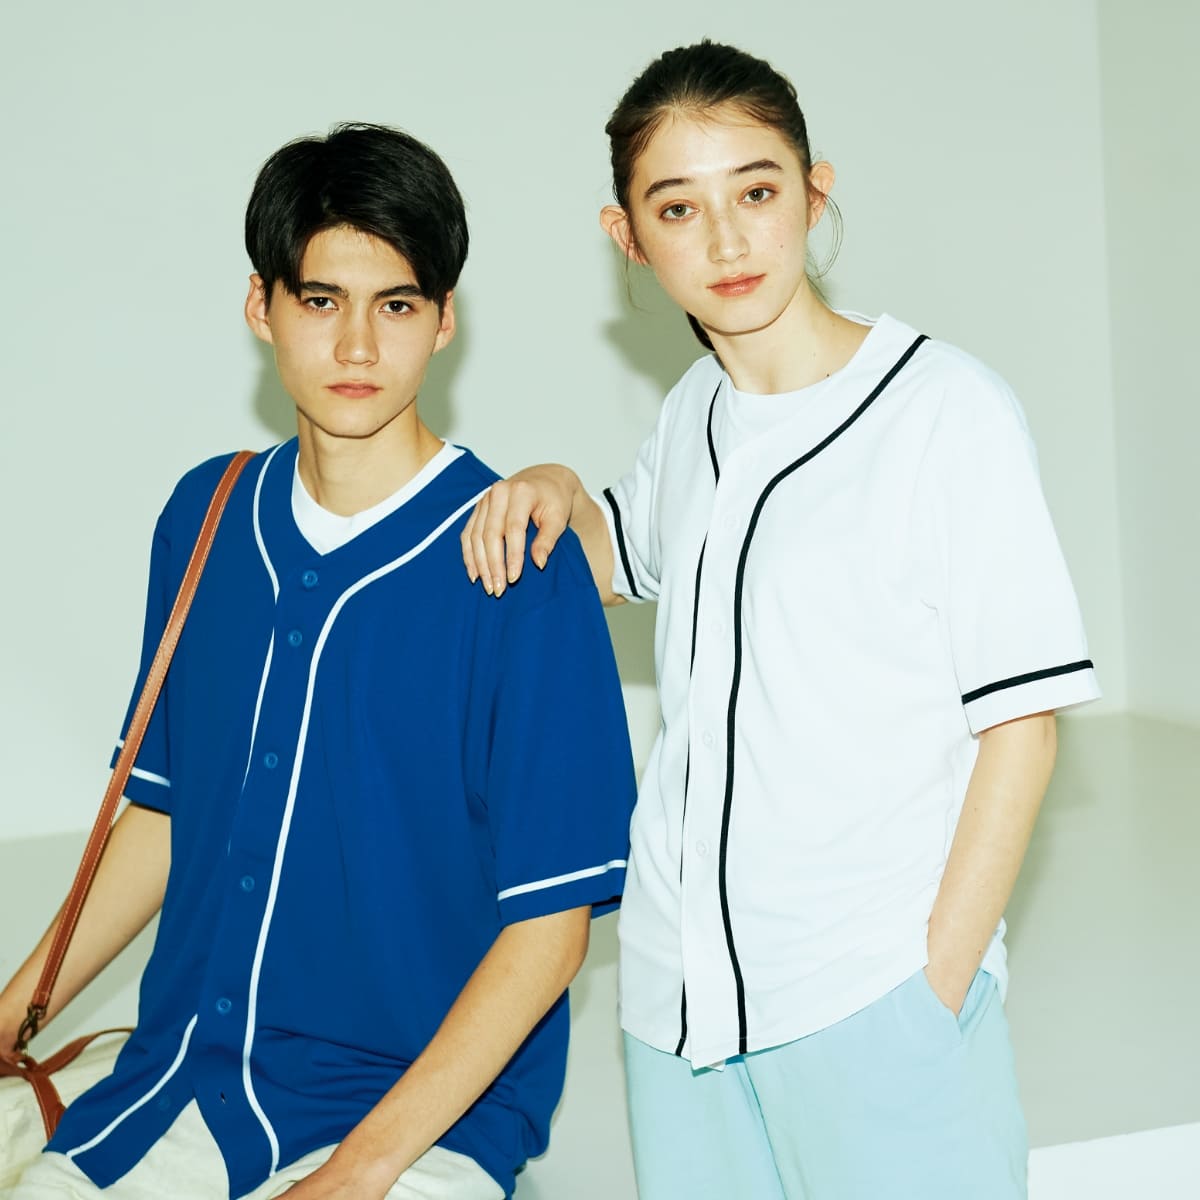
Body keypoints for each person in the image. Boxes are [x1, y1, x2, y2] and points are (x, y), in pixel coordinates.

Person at [461, 40, 1099, 1200]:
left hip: (874, 1002)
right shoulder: (693, 414)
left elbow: (1023, 726)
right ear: (627, 237)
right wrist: (554, 481)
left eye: (755, 192)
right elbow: (613, 555)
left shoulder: (944, 412)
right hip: (677, 1013)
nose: (726, 240)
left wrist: (932, 987)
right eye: (678, 207)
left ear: (814, 192)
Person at [0, 123, 635, 1200]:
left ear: (444, 320)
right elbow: (164, 816)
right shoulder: (205, 517)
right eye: (321, 300)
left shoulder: (521, 566)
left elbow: (550, 933)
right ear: (263, 306)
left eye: (396, 305)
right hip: (181, 1084)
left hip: (424, 1126)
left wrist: (356, 1174)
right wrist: (11, 1017)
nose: (357, 347)